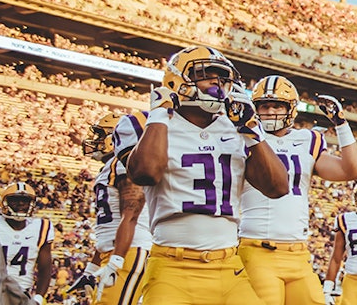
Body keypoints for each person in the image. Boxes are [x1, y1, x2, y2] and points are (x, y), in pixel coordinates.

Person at [121, 45, 291, 305]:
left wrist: (252, 132)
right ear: (177, 79)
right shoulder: (144, 123)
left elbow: (278, 187)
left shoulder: (237, 128)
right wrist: (159, 114)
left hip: (228, 266)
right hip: (171, 266)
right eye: (207, 74)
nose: (217, 82)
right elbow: (146, 173)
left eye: (222, 77)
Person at [240, 76, 357, 305]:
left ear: (291, 109)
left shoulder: (307, 139)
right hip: (258, 248)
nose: (270, 112)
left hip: (298, 253)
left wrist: (341, 124)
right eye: (264, 106)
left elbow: (352, 170)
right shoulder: (245, 139)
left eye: (277, 105)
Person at [67, 111, 152, 305]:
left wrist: (117, 260)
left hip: (128, 250)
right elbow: (108, 228)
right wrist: (90, 270)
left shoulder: (124, 164)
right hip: (117, 250)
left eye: (100, 135)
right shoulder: (110, 167)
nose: (94, 140)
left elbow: (130, 215)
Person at [0, 184, 51, 304]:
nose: (21, 204)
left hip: (23, 294)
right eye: (15, 200)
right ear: (4, 202)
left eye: (25, 200)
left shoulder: (41, 226)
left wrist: (38, 298)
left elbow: (45, 268)